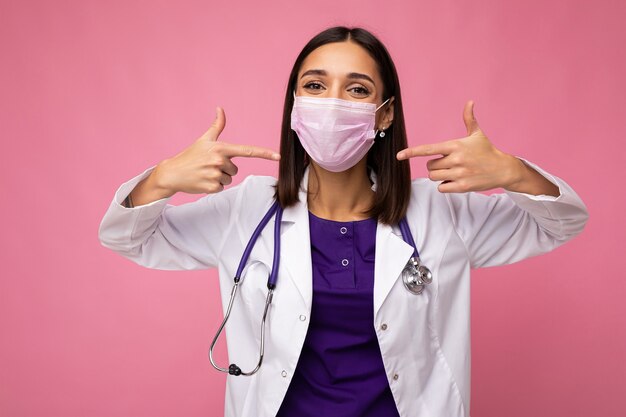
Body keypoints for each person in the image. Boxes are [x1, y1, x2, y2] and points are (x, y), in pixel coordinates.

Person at [98, 26, 589, 417]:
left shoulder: (441, 211)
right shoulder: (245, 209)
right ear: (294, 106)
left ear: (384, 115)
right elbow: (127, 237)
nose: (332, 102)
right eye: (315, 86)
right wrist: (163, 178)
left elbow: (562, 222)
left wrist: (515, 173)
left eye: (357, 89)